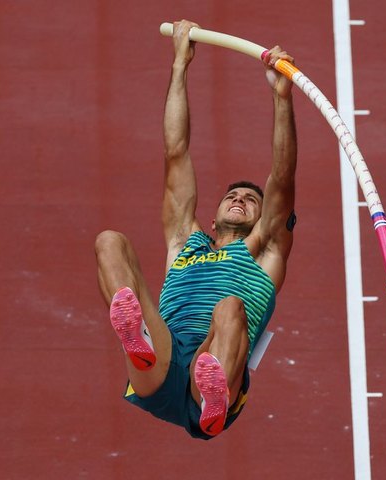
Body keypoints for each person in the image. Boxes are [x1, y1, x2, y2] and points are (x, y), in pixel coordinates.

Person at [94, 19, 297, 439]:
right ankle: (139, 340)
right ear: (213, 215)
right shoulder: (185, 243)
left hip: (217, 365)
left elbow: (282, 177)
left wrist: (281, 99)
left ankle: (212, 396)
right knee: (110, 242)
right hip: (163, 361)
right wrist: (179, 66)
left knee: (229, 309)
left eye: (251, 201)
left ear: (264, 220)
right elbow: (176, 151)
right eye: (232, 196)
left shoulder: (265, 251)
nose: (240, 199)